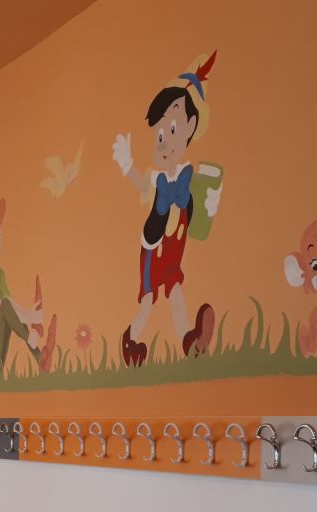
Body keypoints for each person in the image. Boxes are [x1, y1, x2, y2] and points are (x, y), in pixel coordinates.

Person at [112, 50, 222, 366]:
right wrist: (127, 165)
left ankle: (190, 341)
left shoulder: (191, 178)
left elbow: (200, 217)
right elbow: (142, 185)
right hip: (154, 248)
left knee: (176, 294)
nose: (162, 142)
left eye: (171, 131)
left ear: (190, 127)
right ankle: (130, 342)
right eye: (160, 134)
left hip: (174, 252)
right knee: (148, 301)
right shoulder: (157, 178)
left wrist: (211, 201)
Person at [0, 181, 57, 377]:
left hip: (0, 356)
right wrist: (32, 320)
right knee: (5, 306)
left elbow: (11, 305)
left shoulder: (1, 275)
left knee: (8, 305)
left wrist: (31, 312)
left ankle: (40, 357)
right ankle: (37, 352)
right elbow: (2, 308)